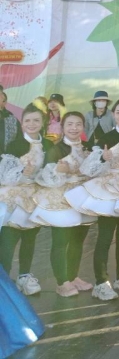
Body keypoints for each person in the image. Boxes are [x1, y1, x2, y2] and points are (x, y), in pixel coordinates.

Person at [65, 98, 119, 301]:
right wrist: (101, 158)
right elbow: (87, 169)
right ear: (113, 114)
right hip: (109, 191)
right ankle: (101, 282)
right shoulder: (107, 137)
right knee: (105, 238)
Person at [30, 111, 95, 297]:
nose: (74, 128)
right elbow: (45, 177)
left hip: (82, 198)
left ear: (83, 127)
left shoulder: (88, 148)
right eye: (70, 124)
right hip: (61, 199)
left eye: (78, 124)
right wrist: (58, 171)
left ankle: (73, 276)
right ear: (63, 127)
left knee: (77, 241)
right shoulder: (56, 149)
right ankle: (62, 282)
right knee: (61, 242)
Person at [0, 104, 52, 296]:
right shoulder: (15, 145)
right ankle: (4, 282)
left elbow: (51, 169)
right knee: (8, 241)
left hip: (35, 196)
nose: (32, 124)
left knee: (30, 239)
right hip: (14, 197)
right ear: (22, 124)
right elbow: (4, 174)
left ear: (43, 122)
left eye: (36, 120)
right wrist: (21, 172)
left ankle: (24, 276)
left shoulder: (48, 145)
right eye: (28, 120)